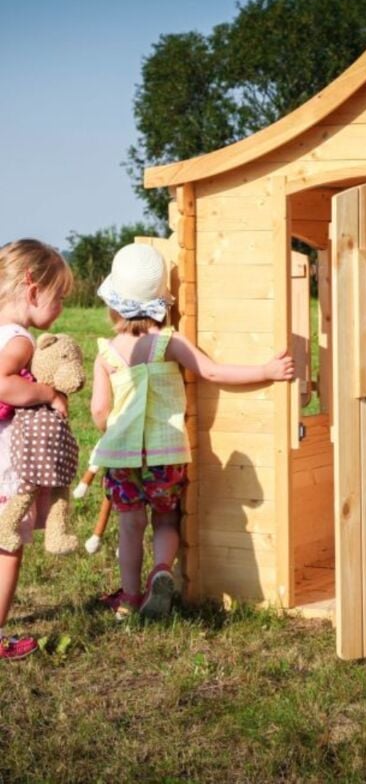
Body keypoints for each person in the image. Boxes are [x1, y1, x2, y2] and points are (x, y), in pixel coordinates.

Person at [91, 243, 294, 619]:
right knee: (166, 519)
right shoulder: (169, 342)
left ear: (114, 304)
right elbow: (213, 372)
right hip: (167, 455)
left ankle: (130, 598)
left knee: (130, 524)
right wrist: (266, 371)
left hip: (121, 457)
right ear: (162, 301)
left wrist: (111, 432)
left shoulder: (106, 353)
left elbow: (100, 411)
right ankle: (162, 571)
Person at [0, 239, 73, 660]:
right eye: (59, 297)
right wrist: (47, 391)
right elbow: (4, 383)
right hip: (7, 460)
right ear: (33, 290)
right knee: (7, 547)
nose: (61, 306)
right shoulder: (20, 341)